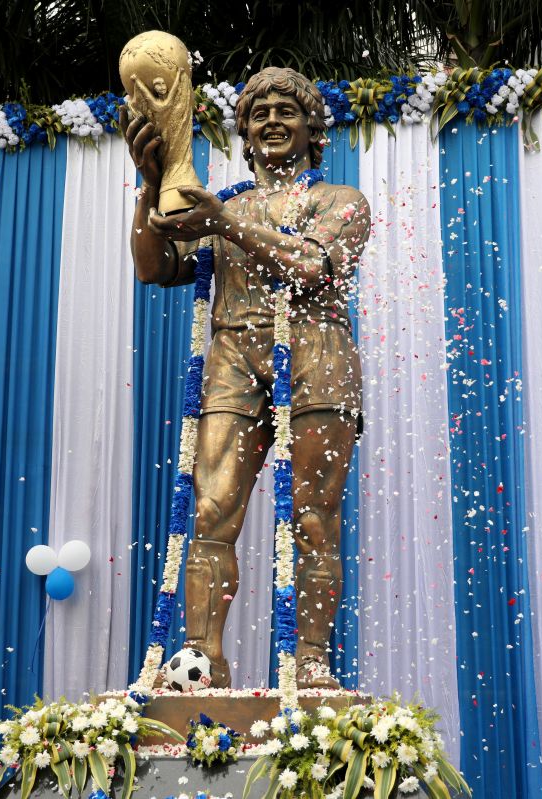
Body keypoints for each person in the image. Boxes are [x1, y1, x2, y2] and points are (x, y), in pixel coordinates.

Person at [123, 66, 371, 688]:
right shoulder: (221, 203)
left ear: (314, 129)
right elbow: (154, 267)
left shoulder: (340, 200)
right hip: (234, 354)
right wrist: (149, 188)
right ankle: (201, 660)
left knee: (314, 517)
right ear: (244, 131)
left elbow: (314, 265)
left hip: (318, 355)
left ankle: (311, 659)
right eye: (259, 113)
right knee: (210, 510)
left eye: (286, 111)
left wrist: (222, 222)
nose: (272, 121)